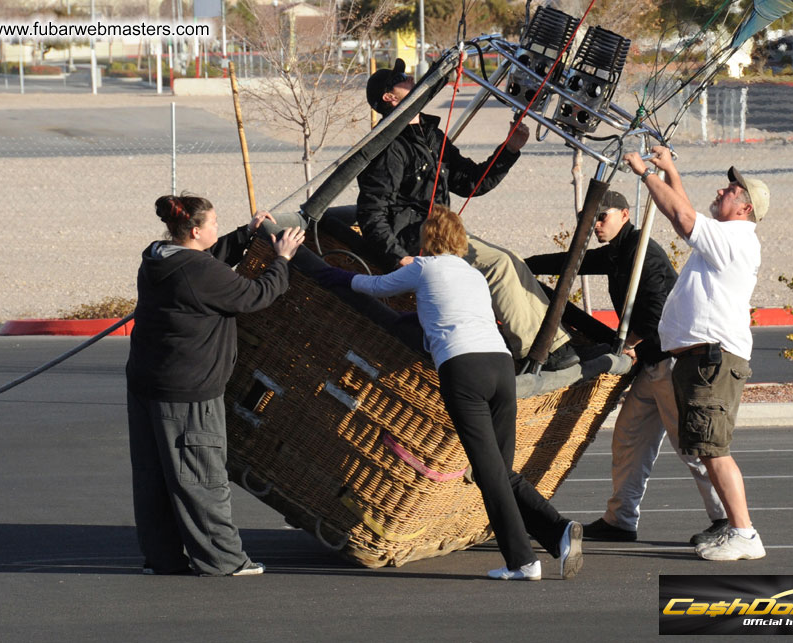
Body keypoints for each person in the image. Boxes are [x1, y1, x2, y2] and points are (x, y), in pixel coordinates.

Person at [318, 205, 584, 581]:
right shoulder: (474, 275)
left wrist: (331, 275)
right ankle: (558, 532)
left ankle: (522, 561)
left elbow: (375, 287)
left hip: (464, 369)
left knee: (488, 474)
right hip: (500, 366)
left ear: (429, 238)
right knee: (500, 471)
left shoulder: (424, 267)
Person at [526, 191, 728, 544]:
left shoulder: (644, 256)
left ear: (624, 213)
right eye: (591, 220)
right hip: (651, 368)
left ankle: (725, 519)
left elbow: (657, 313)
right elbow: (574, 262)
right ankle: (620, 520)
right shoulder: (619, 252)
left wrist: (629, 344)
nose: (596, 225)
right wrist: (525, 264)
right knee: (629, 440)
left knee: (692, 447)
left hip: (671, 365)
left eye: (602, 218)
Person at [357, 58, 578, 371]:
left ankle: (552, 342)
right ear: (389, 98)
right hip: (416, 242)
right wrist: (398, 258)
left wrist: (509, 150)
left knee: (511, 258)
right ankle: (535, 352)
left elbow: (471, 182)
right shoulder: (387, 148)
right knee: (497, 265)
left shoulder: (432, 136)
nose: (410, 79)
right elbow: (371, 210)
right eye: (401, 79)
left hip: (442, 236)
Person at [126, 194, 305, 576]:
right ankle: (222, 560)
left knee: (154, 475)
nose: (217, 228)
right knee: (201, 476)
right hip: (188, 391)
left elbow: (207, 261)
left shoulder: (157, 256)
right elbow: (255, 295)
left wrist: (246, 233)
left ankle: (162, 558)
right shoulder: (199, 273)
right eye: (214, 223)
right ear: (195, 230)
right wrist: (283, 258)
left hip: (147, 384)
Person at [624, 147, 769, 561]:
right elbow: (685, 211)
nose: (723, 189)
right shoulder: (724, 238)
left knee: (714, 449)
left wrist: (645, 174)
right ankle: (734, 528)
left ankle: (744, 533)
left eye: (732, 188)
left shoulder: (736, 238)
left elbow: (683, 218)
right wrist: (670, 170)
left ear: (745, 207)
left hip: (714, 359)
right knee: (708, 448)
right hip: (702, 359)